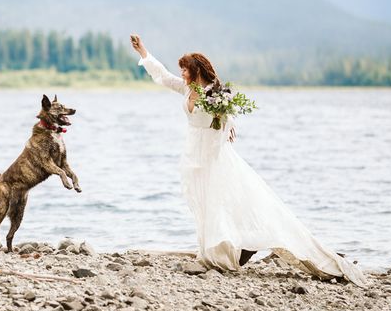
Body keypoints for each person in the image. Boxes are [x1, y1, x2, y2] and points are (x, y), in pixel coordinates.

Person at [130, 34, 368, 286]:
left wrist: (229, 123)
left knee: (219, 202)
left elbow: (224, 118)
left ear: (196, 70)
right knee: (201, 201)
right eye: (182, 69)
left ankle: (233, 249)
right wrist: (143, 52)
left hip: (211, 156)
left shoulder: (215, 93)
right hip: (192, 155)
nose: (182, 73)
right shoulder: (187, 88)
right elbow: (164, 76)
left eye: (185, 69)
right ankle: (214, 249)